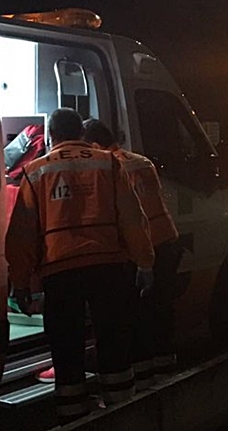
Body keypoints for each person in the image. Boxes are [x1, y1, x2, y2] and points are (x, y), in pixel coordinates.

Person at [6, 108, 155, 423]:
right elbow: (132, 217)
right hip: (108, 268)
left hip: (59, 273)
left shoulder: (35, 172)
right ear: (81, 133)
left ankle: (73, 417)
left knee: (66, 347)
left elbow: (21, 234)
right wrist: (144, 262)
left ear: (51, 136)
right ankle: (122, 412)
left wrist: (20, 283)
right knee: (113, 340)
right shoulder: (108, 162)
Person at [80, 119, 184, 390]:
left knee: (133, 318)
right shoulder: (142, 161)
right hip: (167, 241)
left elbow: (125, 217)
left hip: (140, 248)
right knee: (160, 313)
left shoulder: (109, 167)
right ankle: (164, 377)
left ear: (94, 144)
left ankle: (142, 383)